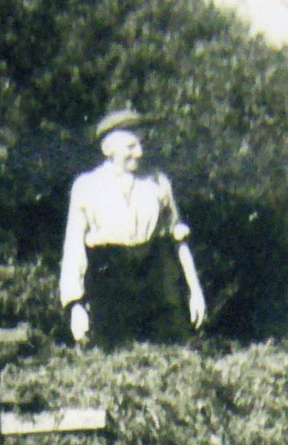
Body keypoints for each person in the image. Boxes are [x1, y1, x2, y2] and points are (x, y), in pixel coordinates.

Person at [59, 109, 207, 349]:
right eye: (130, 147)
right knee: (115, 359)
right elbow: (73, 249)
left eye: (141, 145)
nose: (139, 153)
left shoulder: (158, 182)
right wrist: (75, 305)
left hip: (156, 276)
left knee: (176, 352)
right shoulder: (86, 186)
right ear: (108, 149)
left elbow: (178, 239)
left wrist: (196, 292)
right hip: (110, 279)